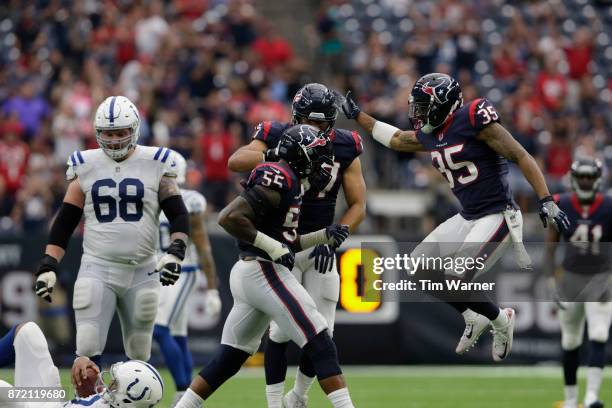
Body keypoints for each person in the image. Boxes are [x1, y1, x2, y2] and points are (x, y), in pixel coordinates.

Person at [342, 72, 570, 361]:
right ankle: (472, 316)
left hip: (497, 216)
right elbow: (398, 140)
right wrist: (359, 115)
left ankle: (501, 319)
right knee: (418, 269)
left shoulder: (473, 119)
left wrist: (547, 199)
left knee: (455, 275)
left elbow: (521, 155)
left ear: (443, 103)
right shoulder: (433, 132)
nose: (419, 113)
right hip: (468, 216)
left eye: (424, 106)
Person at [175, 124, 355, 408]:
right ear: (302, 156)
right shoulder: (279, 176)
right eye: (318, 157)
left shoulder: (291, 181)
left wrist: (324, 235)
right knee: (320, 341)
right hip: (263, 271)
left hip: (252, 273)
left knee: (229, 358)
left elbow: (287, 241)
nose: (324, 164)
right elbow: (229, 218)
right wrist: (271, 247)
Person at [228, 83, 366, 407]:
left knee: (323, 333)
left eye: (321, 124)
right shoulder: (276, 134)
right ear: (294, 117)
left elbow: (359, 203)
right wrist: (275, 152)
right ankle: (274, 402)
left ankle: (297, 396)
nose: (314, 130)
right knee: (279, 331)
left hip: (319, 244)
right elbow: (237, 160)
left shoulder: (346, 146)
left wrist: (336, 236)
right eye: (309, 121)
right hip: (281, 245)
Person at [33, 96, 190, 366]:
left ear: (135, 130)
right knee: (88, 344)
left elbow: (177, 213)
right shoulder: (85, 163)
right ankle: (88, 405)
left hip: (143, 269)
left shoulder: (155, 161)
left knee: (140, 351)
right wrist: (49, 264)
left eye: (121, 133)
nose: (115, 139)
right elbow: (65, 221)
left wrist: (177, 251)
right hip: (98, 266)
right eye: (108, 133)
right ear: (97, 132)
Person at [153, 151, 221, 405]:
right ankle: (188, 395)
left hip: (184, 271)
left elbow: (203, 247)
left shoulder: (190, 200)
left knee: (159, 330)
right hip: (159, 270)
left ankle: (183, 392)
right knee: (178, 334)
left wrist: (212, 289)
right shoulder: (151, 198)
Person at [545, 158, 612, 408]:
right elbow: (549, 248)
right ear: (574, 178)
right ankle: (572, 400)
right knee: (570, 340)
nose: (585, 181)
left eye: (590, 177)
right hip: (570, 279)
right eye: (582, 177)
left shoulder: (608, 206)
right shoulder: (560, 203)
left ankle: (592, 397)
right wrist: (551, 280)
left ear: (597, 179)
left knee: (599, 333)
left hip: (601, 279)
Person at [0, 321, 163, 407]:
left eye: (115, 384)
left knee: (5, 392)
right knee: (28, 332)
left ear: (127, 400)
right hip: (53, 403)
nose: (109, 384)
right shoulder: (121, 403)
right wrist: (81, 362)